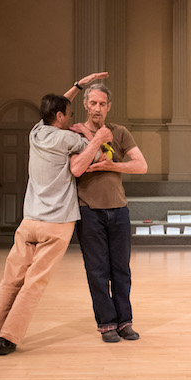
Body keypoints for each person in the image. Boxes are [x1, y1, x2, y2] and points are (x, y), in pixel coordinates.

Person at [0, 75, 112, 355]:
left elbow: (56, 108)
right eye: (69, 114)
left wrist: (78, 86)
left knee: (11, 280)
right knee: (34, 283)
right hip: (56, 225)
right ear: (61, 116)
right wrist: (95, 138)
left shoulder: (36, 132)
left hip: (29, 222)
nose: (72, 117)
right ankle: (8, 338)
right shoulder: (68, 139)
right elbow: (97, 160)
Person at [66, 80, 148, 343]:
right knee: (97, 270)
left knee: (121, 270)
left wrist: (110, 166)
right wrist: (94, 141)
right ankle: (107, 324)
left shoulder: (120, 132)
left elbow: (141, 166)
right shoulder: (74, 134)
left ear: (109, 106)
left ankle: (125, 322)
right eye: (93, 103)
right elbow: (76, 168)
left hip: (119, 210)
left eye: (102, 104)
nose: (97, 108)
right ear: (85, 105)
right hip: (89, 211)